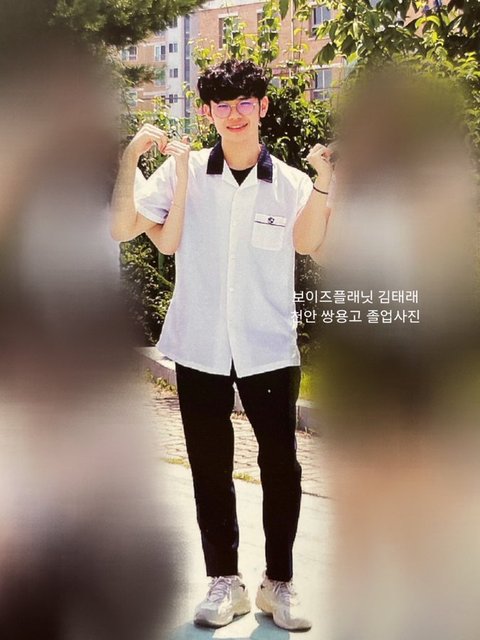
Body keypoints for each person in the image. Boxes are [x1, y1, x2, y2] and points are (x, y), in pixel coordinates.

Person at [110, 58, 332, 631]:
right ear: (208, 112)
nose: (235, 115)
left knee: (280, 467)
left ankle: (278, 584)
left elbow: (314, 245)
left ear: (262, 107)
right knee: (209, 467)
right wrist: (130, 158)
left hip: (268, 346)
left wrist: (328, 182)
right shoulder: (182, 172)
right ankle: (223, 582)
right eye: (223, 105)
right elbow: (125, 225)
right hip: (199, 341)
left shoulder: (292, 183)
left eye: (245, 103)